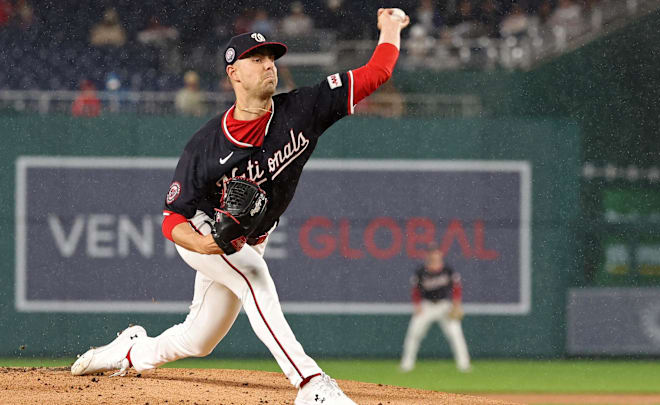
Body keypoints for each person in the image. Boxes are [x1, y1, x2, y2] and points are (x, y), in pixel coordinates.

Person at [71, 8, 410, 405]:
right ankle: (310, 384)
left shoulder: (303, 109)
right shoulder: (206, 145)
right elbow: (171, 219)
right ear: (234, 73)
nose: (269, 65)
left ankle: (129, 350)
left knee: (198, 339)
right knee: (254, 276)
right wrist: (205, 244)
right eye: (257, 59)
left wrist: (389, 27)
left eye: (271, 59)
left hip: (250, 236)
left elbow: (377, 72)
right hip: (203, 230)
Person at [400, 245, 471, 373]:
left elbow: (456, 287)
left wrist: (456, 303)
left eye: (436, 253)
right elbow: (415, 290)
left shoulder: (448, 270)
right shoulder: (421, 271)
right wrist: (417, 305)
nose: (434, 256)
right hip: (427, 305)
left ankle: (464, 365)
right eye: (431, 253)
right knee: (414, 334)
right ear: (427, 255)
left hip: (444, 306)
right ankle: (407, 364)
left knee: (456, 334)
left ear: (440, 254)